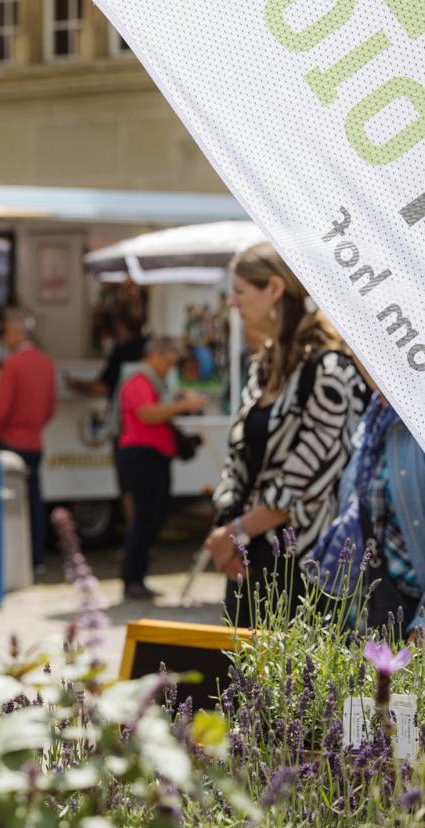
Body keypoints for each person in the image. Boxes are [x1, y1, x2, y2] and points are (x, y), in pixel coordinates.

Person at [209, 243, 366, 628]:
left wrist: (235, 531)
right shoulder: (263, 367)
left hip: (303, 569)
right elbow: (238, 460)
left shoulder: (330, 371)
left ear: (275, 289)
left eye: (240, 291)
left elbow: (307, 480)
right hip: (247, 557)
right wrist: (227, 526)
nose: (232, 302)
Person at [314, 357, 425, 638]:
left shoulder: (415, 419)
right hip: (368, 608)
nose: (360, 358)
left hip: (411, 618)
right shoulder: (374, 417)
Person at [116, 337, 209, 601]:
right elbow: (148, 414)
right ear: (154, 354)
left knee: (153, 517)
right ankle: (132, 579)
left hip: (154, 456)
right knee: (145, 518)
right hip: (142, 456)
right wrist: (183, 405)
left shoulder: (150, 381)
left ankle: (138, 577)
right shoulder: (139, 380)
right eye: (167, 363)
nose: (168, 369)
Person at [0, 306, 58, 568]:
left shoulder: (12, 364)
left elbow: (3, 407)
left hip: (10, 440)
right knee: (35, 501)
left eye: (7, 332)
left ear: (17, 333)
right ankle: (37, 557)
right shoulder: (46, 362)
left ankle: (13, 560)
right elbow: (51, 405)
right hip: (34, 440)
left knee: (9, 504)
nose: (6, 338)